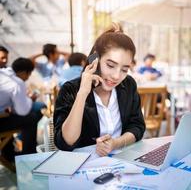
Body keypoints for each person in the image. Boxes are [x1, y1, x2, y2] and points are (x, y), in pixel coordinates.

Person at [53, 23, 145, 156]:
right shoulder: (70, 90)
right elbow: (65, 143)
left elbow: (137, 126)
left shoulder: (128, 84)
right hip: (82, 166)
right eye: (110, 65)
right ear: (95, 59)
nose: (117, 76)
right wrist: (82, 93)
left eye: (124, 69)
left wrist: (116, 143)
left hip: (122, 160)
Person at [0, 58, 45, 161]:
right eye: (28, 75)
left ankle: (9, 153)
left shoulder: (3, 72)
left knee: (12, 116)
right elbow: (22, 111)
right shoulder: (17, 83)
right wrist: (30, 99)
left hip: (2, 114)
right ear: (25, 72)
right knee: (32, 117)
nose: (27, 78)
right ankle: (28, 155)